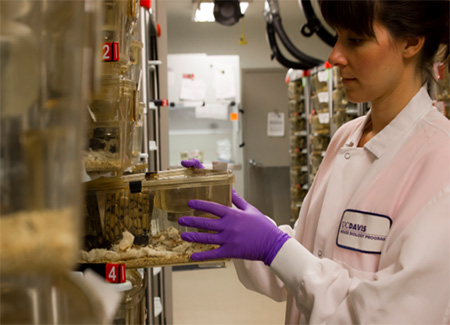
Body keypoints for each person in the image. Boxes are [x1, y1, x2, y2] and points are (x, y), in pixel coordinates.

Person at [178, 0, 450, 323]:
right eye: (337, 37)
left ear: (411, 41)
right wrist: (226, 213)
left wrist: (275, 247)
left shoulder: (439, 161)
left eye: (355, 40)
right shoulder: (345, 138)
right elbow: (302, 265)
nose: (334, 55)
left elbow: (386, 316)